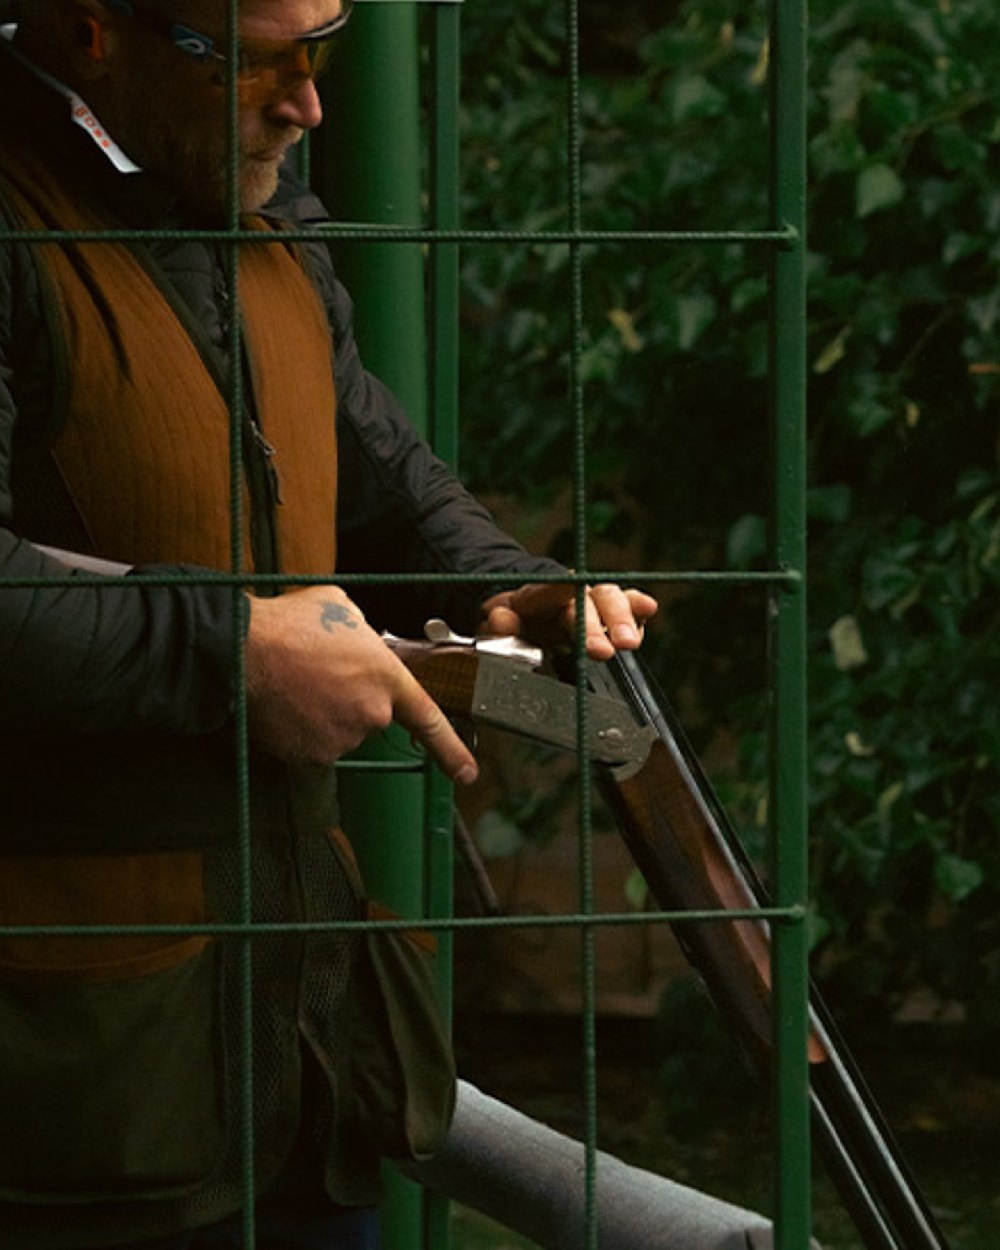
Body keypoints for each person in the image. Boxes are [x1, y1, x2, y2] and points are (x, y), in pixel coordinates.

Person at [0, 1, 662, 1248]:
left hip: (301, 1027)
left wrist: (500, 584)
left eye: (326, 47)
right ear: (95, 30)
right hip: (67, 1072)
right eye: (261, 60)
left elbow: (369, 467)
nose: (308, 104)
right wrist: (236, 653)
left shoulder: (257, 208)